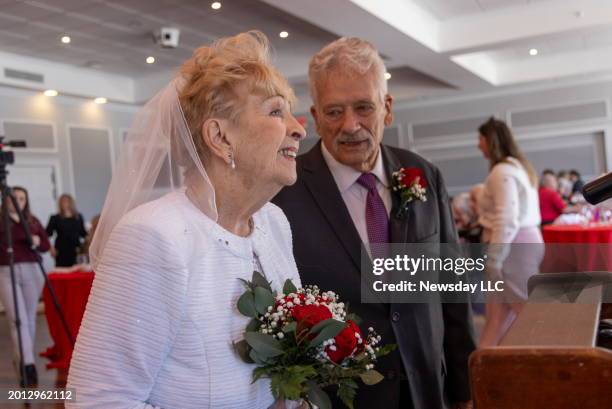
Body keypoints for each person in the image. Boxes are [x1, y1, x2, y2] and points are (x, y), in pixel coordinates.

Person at [66, 31, 306, 409]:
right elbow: (99, 399)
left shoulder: (275, 222)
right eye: (276, 111)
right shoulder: (152, 236)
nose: (299, 128)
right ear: (220, 137)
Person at [273, 37, 475, 409]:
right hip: (344, 398)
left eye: (363, 107)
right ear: (315, 118)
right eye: (334, 112)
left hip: (428, 388)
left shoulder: (425, 176)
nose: (350, 125)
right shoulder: (283, 194)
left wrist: (465, 390)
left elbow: (452, 292)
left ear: (387, 108)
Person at [476, 117, 544, 347]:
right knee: (497, 317)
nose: (479, 145)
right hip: (519, 243)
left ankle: (550, 366)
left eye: (481, 139)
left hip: (513, 247)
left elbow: (507, 218)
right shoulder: (516, 167)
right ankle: (482, 373)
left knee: (526, 314)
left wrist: (494, 257)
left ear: (491, 140)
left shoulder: (502, 171)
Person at [0, 186, 51, 387]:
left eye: (22, 198)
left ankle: (21, 357)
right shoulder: (1, 222)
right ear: (6, 200)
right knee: (17, 319)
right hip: (6, 271)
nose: (18, 202)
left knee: (29, 318)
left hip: (32, 270)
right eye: (14, 198)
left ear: (25, 201)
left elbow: (46, 246)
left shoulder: (32, 221)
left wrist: (37, 240)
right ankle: (28, 364)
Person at [46, 194, 87, 267]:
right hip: (61, 250)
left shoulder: (78, 217)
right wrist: (51, 249)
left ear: (71, 203)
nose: (65, 204)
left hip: (77, 249)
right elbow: (46, 235)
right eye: (63, 202)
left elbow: (83, 233)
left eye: (67, 201)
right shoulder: (55, 218)